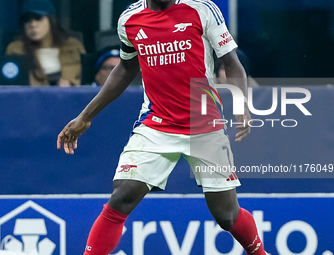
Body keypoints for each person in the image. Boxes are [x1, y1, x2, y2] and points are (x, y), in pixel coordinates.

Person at [57, 0, 268, 254]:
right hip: (155, 124)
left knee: (226, 215)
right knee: (122, 196)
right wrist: (85, 116)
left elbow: (232, 63)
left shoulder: (202, 10)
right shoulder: (130, 19)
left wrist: (241, 105)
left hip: (204, 124)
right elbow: (125, 68)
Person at [6, 0, 85, 86]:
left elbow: (84, 78)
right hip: (31, 98)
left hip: (67, 97)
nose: (32, 24)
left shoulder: (72, 47)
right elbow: (11, 83)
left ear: (51, 20)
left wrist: (70, 83)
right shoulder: (16, 50)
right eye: (27, 19)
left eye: (38, 17)